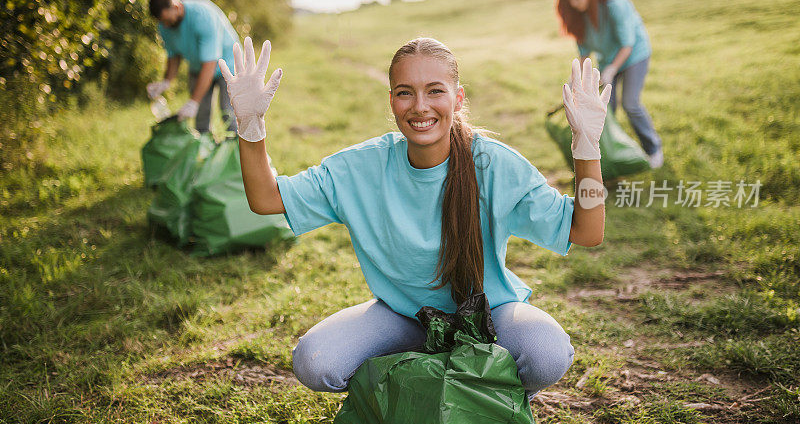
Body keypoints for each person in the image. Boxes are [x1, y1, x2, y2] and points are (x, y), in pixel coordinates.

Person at [218, 36, 610, 399]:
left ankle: (487, 405)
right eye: (406, 93)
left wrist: (587, 147)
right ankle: (410, 399)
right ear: (391, 101)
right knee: (315, 361)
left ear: (457, 98)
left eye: (435, 91)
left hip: (489, 316)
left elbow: (586, 231)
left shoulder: (493, 164)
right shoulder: (361, 168)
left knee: (546, 353)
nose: (420, 106)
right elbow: (267, 199)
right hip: (404, 319)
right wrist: (251, 127)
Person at [556, 0, 664, 169]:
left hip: (634, 55)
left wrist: (612, 70)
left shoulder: (615, 4)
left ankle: (654, 148)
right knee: (605, 111)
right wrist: (575, 82)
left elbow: (627, 43)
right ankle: (614, 156)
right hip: (607, 62)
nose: (574, 3)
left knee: (630, 103)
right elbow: (583, 55)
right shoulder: (580, 18)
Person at [146, 0, 240, 134]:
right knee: (201, 120)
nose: (165, 26)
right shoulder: (165, 26)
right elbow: (174, 55)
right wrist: (166, 82)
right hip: (198, 67)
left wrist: (193, 102)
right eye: (162, 21)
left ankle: (236, 152)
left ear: (176, 7)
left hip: (227, 65)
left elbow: (210, 64)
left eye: (168, 21)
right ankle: (205, 153)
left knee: (229, 114)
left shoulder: (202, 15)